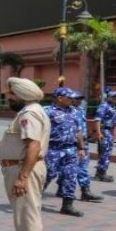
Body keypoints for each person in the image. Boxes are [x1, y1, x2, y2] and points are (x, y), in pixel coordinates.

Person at [0, 77, 50, 231]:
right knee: (30, 209)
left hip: (23, 168)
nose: (8, 99)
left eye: (10, 95)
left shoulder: (30, 114)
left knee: (25, 211)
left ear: (20, 95)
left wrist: (23, 177)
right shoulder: (31, 112)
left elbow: (33, 145)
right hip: (22, 167)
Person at [43, 87, 85, 217]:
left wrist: (81, 148)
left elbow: (78, 131)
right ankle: (31, 199)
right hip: (53, 148)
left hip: (70, 149)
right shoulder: (47, 112)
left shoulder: (74, 112)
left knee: (70, 176)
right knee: (47, 175)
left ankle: (67, 205)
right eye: (69, 97)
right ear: (60, 98)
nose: (72, 100)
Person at [63, 90, 102, 202]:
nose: (79, 101)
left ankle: (85, 191)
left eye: (80, 99)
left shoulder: (80, 111)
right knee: (63, 170)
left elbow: (82, 126)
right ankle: (60, 189)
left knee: (83, 168)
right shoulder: (66, 112)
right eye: (76, 98)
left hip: (83, 143)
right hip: (71, 144)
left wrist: (89, 135)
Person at [93, 89, 116, 183]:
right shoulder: (103, 106)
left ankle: (101, 172)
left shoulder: (112, 106)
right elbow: (98, 120)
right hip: (104, 131)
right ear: (108, 97)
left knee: (107, 153)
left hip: (110, 132)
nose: (115, 99)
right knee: (104, 153)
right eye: (113, 97)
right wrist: (99, 133)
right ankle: (101, 173)